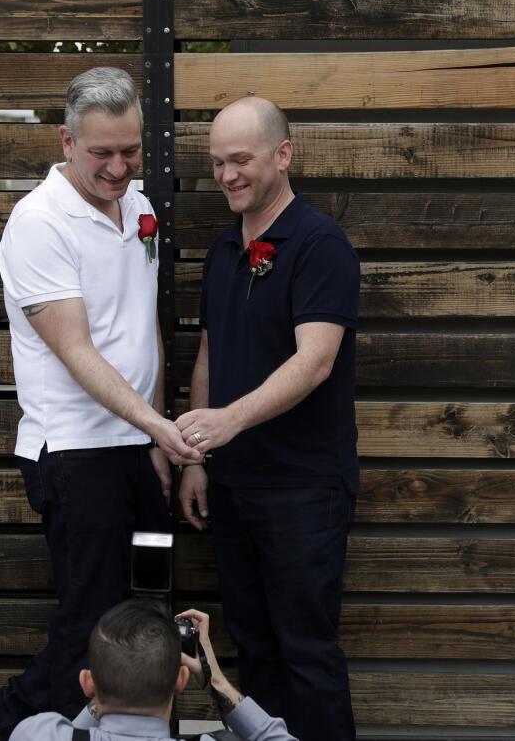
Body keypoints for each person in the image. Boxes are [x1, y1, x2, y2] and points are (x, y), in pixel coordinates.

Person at [0, 67, 202, 741]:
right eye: (103, 153)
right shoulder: (38, 223)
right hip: (75, 453)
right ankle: (19, 720)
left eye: (130, 151)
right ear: (67, 140)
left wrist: (154, 439)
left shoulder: (141, 207)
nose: (120, 166)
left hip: (135, 451)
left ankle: (29, 717)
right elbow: (76, 350)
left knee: (148, 604)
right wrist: (157, 423)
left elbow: (143, 324)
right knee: (93, 615)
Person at [175, 97, 360, 741]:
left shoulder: (320, 244)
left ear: (283, 155)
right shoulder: (224, 251)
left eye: (240, 160)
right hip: (232, 487)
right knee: (251, 651)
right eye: (217, 163)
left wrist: (228, 422)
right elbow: (208, 354)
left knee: (306, 652)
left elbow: (315, 363)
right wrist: (198, 458)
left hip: (304, 489)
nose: (226, 175)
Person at [10, 601, 296, 741]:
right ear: (181, 679)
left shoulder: (39, 734)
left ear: (87, 683)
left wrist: (107, 683)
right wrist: (215, 680)